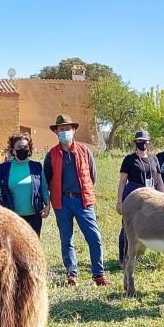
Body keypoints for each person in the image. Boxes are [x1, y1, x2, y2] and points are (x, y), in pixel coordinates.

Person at [44, 114, 110, 286]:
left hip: (83, 201)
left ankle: (98, 275)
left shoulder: (84, 150)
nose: (64, 132)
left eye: (67, 129)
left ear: (73, 130)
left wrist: (84, 193)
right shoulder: (51, 155)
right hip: (62, 202)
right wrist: (48, 202)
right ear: (56, 132)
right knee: (67, 240)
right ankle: (72, 275)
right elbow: (46, 179)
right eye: (61, 129)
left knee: (94, 237)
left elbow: (92, 176)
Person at [117, 129, 164, 263]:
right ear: (135, 142)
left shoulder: (154, 158)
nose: (142, 143)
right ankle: (123, 258)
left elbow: (159, 179)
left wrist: (163, 198)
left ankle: (139, 256)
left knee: (149, 227)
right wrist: (119, 202)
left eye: (144, 141)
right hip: (133, 198)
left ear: (148, 142)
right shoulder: (129, 159)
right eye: (139, 141)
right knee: (128, 227)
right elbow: (122, 182)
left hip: (151, 197)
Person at [0, 133, 50, 236]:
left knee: (32, 249)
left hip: (34, 217)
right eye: (19, 147)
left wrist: (48, 206)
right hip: (12, 217)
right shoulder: (3, 169)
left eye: (25, 147)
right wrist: (1, 210)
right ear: (13, 150)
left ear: (29, 149)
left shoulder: (36, 167)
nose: (22, 149)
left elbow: (44, 188)